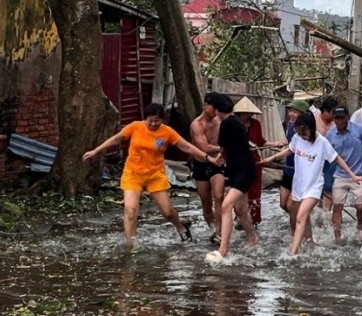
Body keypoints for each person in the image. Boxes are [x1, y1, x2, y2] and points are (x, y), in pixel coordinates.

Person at [83, 103, 219, 249]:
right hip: (133, 174)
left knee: (167, 212)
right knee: (130, 210)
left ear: (162, 120)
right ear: (145, 118)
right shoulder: (135, 127)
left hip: (155, 175)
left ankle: (180, 227)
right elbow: (116, 139)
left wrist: (207, 157)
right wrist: (96, 151)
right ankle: (131, 244)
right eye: (150, 120)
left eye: (157, 120)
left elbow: (186, 146)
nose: (153, 123)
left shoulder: (167, 132)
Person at [262, 113, 362, 255]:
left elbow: (337, 158)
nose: (302, 135)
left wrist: (352, 174)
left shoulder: (322, 142)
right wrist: (272, 158)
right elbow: (290, 150)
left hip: (314, 187)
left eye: (304, 132)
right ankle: (310, 243)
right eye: (299, 132)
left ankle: (293, 253)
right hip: (298, 186)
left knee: (300, 217)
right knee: (300, 215)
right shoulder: (297, 138)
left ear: (312, 128)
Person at [210, 94, 259, 260]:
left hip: (243, 171)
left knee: (226, 205)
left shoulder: (226, 123)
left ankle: (223, 249)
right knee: (241, 209)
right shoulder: (236, 121)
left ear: (217, 109)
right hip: (240, 169)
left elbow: (222, 147)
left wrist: (219, 157)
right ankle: (252, 238)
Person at [233, 96, 285, 226]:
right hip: (238, 162)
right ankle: (240, 216)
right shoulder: (232, 124)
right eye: (245, 113)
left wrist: (275, 143)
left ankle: (254, 220)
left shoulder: (256, 124)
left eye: (250, 113)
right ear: (239, 113)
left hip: (255, 162)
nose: (248, 115)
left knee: (255, 192)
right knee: (238, 192)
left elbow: (261, 142)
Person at [326, 105, 362, 240]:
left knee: (360, 207)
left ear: (347, 117)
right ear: (333, 119)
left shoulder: (358, 130)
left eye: (342, 118)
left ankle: (359, 225)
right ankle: (337, 237)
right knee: (337, 207)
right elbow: (325, 154)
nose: (340, 121)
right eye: (337, 118)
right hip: (340, 175)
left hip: (359, 174)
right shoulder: (330, 134)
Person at [190, 92, 225, 243]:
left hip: (218, 163)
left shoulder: (220, 120)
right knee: (206, 201)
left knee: (218, 196)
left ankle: (220, 230)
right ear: (205, 105)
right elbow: (203, 147)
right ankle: (212, 227)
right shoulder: (197, 124)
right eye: (213, 108)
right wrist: (224, 148)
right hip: (201, 164)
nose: (216, 111)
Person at [280, 99, 309, 232]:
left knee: (291, 206)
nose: (291, 114)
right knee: (283, 204)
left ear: (303, 114)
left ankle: (295, 235)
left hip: (300, 173)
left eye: (295, 112)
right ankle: (302, 219)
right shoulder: (289, 125)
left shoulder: (307, 131)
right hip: (289, 169)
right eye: (290, 111)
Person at [314, 97, 339, 211]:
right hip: (315, 159)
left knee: (329, 186)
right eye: (332, 114)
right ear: (325, 111)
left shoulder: (336, 123)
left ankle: (326, 214)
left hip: (330, 160)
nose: (334, 117)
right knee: (315, 187)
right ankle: (316, 210)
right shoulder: (313, 120)